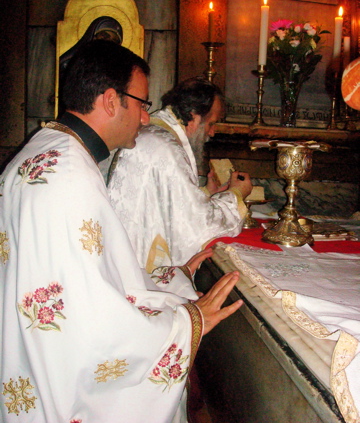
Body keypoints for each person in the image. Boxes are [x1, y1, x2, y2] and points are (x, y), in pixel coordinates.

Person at [0, 40, 242, 422]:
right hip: (56, 391)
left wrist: (172, 277)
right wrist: (190, 321)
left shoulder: (48, 148)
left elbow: (77, 285)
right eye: (142, 104)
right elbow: (97, 326)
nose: (146, 118)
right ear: (112, 101)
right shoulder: (69, 175)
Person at [107, 77, 252, 273]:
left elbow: (163, 204)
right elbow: (197, 227)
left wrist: (205, 194)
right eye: (211, 123)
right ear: (194, 116)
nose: (212, 132)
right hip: (142, 272)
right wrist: (236, 194)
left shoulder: (155, 133)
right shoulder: (166, 146)